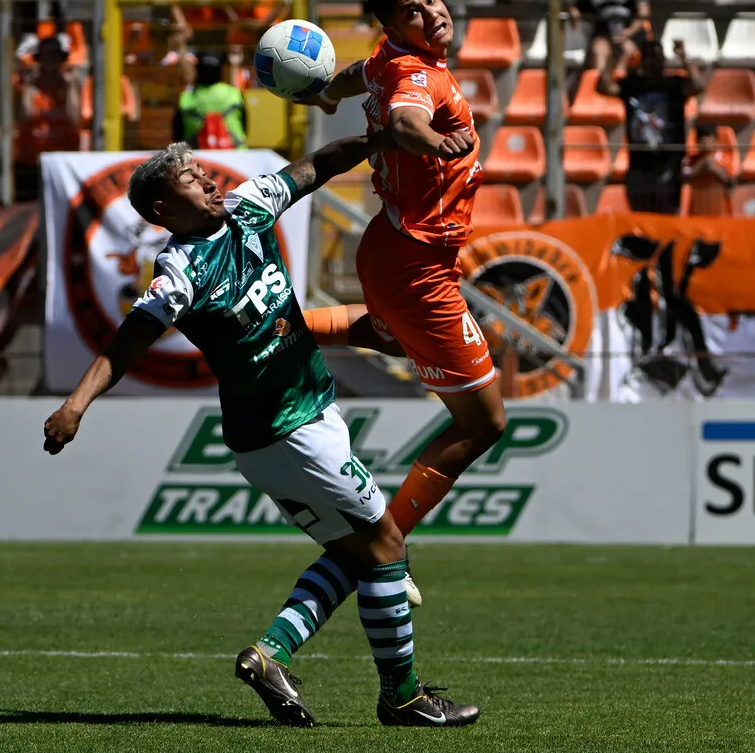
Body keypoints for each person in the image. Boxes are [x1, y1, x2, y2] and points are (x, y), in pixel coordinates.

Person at [42, 136, 480, 729]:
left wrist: (379, 138)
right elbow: (127, 342)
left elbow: (316, 166)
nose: (209, 181)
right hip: (294, 431)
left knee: (353, 556)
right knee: (385, 548)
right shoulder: (179, 272)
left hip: (269, 437)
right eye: (192, 181)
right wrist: (75, 405)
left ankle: (270, 655)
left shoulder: (250, 207)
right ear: (164, 212)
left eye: (203, 171)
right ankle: (401, 698)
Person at [301, 0, 507, 556]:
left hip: (392, 249)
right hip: (417, 264)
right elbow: (405, 119)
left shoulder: (389, 57)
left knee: (397, 342)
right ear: (392, 28)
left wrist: (327, 93)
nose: (432, 13)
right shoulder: (415, 74)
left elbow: (355, 77)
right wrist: (432, 142)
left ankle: (279, 326)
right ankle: (385, 541)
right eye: (413, 11)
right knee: (483, 423)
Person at [596, 38, 704, 214]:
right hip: (639, 165)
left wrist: (684, 58)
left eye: (658, 57)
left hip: (668, 165)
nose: (654, 62)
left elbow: (698, 85)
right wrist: (615, 58)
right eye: (650, 57)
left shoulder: (673, 84)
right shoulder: (633, 85)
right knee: (641, 217)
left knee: (667, 218)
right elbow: (603, 86)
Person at [15, 35, 81, 202]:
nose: (50, 60)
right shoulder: (30, 87)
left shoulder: (68, 86)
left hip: (62, 161)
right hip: (31, 160)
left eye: (54, 55)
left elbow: (74, 118)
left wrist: (71, 86)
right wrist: (29, 86)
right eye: (46, 55)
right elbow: (25, 114)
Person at [173, 54, 246, 149]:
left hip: (196, 158)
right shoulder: (233, 94)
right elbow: (245, 125)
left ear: (198, 72)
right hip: (235, 155)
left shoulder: (187, 97)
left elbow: (177, 133)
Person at [680, 124, 733, 217]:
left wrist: (713, 168)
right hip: (695, 214)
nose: (703, 142)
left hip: (721, 214)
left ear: (716, 140)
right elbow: (683, 178)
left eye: (707, 138)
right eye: (700, 139)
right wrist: (702, 165)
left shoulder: (725, 158)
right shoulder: (690, 160)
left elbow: (730, 181)